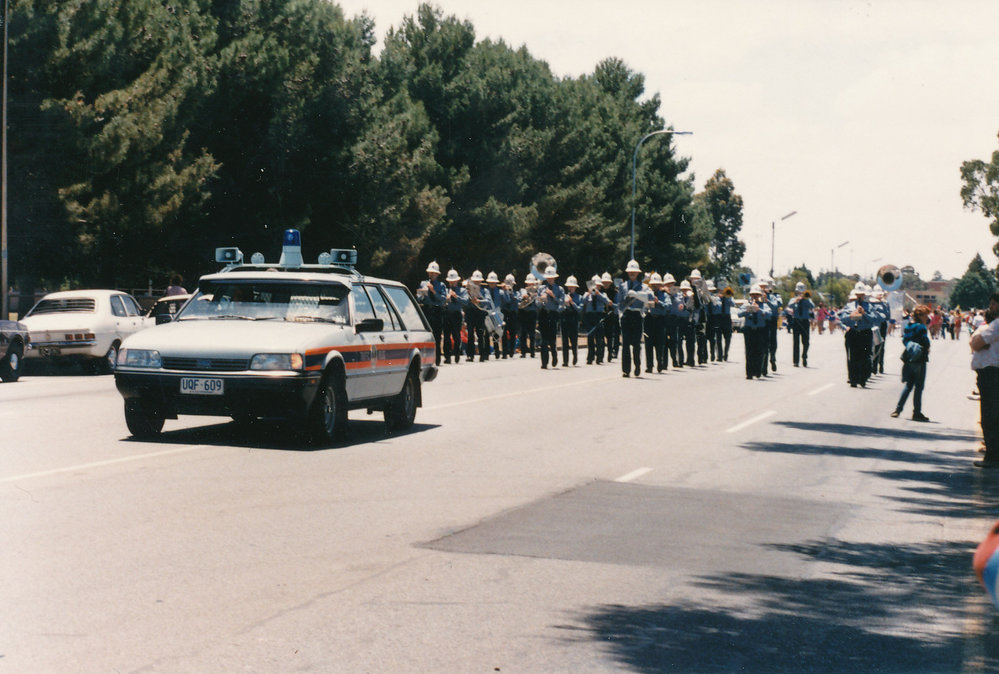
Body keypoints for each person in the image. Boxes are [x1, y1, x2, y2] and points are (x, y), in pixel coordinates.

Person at [971, 293, 999, 468]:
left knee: (990, 415)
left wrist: (976, 339)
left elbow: (976, 343)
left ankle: (992, 456)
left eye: (994, 304)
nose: (991, 307)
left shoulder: (996, 325)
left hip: (991, 373)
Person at [891, 304, 931, 421]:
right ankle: (917, 412)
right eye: (926, 315)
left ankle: (898, 409)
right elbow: (925, 341)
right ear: (921, 316)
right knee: (919, 387)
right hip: (920, 358)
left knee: (908, 385)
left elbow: (905, 340)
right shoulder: (921, 327)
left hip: (909, 357)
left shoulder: (909, 326)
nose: (927, 318)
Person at [840, 283, 882, 387]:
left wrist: (864, 313)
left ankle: (863, 379)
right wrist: (850, 316)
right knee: (853, 357)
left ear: (864, 295)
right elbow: (841, 318)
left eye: (861, 294)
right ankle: (853, 379)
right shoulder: (849, 306)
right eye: (858, 294)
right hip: (853, 333)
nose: (859, 296)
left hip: (865, 333)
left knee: (865, 357)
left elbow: (873, 320)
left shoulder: (869, 306)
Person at [618, 260, 651, 377]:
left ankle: (637, 365)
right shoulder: (622, 286)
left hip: (637, 315)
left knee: (636, 344)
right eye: (630, 271)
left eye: (634, 272)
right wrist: (620, 314)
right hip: (626, 315)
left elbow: (650, 297)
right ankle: (626, 370)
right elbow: (619, 303)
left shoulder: (643, 286)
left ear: (638, 273)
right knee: (625, 344)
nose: (632, 273)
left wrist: (637, 295)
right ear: (627, 273)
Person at [416, 261, 447, 366]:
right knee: (426, 336)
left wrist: (433, 291)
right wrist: (423, 293)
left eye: (434, 273)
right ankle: (426, 359)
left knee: (437, 336)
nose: (432, 275)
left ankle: (437, 359)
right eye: (430, 273)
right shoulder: (423, 283)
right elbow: (418, 298)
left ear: (437, 274)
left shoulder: (441, 285)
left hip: (437, 311)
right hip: (427, 311)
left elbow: (443, 300)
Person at [739, 285, 772, 379]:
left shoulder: (764, 305)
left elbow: (769, 315)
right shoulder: (746, 304)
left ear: (760, 296)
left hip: (760, 330)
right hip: (749, 329)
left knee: (759, 351)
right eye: (753, 295)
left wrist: (759, 310)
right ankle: (749, 373)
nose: (755, 297)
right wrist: (748, 309)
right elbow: (739, 313)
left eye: (757, 295)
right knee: (749, 352)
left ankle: (758, 371)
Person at [536, 266, 564, 369]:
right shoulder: (541, 289)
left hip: (553, 314)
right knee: (544, 340)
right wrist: (542, 300)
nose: (550, 279)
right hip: (544, 314)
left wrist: (553, 296)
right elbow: (537, 304)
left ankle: (554, 356)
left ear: (554, 278)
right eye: (548, 277)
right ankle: (544, 362)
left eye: (551, 277)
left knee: (552, 339)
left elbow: (562, 303)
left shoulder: (559, 289)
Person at [582, 275, 610, 364]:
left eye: (597, 285)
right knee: (590, 337)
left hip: (599, 316)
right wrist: (589, 293)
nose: (595, 287)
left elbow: (607, 301)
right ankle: (590, 357)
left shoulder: (603, 294)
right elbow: (583, 301)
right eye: (594, 285)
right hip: (590, 316)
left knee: (599, 338)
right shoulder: (587, 294)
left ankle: (600, 357)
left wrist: (598, 294)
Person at [644, 273, 669, 372]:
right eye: (653, 284)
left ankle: (660, 363)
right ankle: (649, 366)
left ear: (660, 285)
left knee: (659, 343)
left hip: (660, 320)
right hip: (649, 319)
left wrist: (659, 302)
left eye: (656, 284)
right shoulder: (647, 294)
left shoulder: (664, 294)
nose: (654, 286)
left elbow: (668, 306)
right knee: (648, 344)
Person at [787, 282, 814, 367]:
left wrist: (805, 299)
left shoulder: (807, 299)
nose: (800, 293)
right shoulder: (793, 299)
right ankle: (796, 361)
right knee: (796, 342)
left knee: (806, 341)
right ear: (796, 291)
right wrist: (796, 301)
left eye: (802, 291)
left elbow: (812, 306)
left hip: (805, 321)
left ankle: (804, 356)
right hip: (796, 321)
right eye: (799, 291)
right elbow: (789, 306)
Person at [442, 269, 466, 364]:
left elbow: (465, 301)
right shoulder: (445, 290)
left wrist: (456, 297)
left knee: (456, 336)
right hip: (447, 313)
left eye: (454, 281)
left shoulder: (462, 290)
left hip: (456, 314)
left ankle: (456, 354)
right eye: (451, 281)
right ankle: (447, 357)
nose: (452, 283)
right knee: (446, 336)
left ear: (457, 281)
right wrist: (446, 299)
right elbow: (440, 301)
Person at [561, 276, 583, 366]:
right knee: (564, 341)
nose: (570, 288)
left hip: (573, 320)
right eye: (569, 286)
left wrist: (572, 302)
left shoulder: (579, 297)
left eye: (572, 287)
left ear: (575, 287)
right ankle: (565, 361)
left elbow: (579, 309)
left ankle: (575, 356)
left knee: (573, 340)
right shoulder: (563, 296)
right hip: (565, 319)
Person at [601, 272, 620, 362]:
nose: (605, 284)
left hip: (611, 315)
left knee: (611, 336)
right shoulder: (599, 291)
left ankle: (611, 352)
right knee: (601, 335)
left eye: (607, 282)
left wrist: (612, 305)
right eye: (604, 282)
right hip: (601, 315)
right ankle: (601, 353)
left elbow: (617, 305)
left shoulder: (615, 292)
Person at [518, 276, 539, 358]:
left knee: (532, 333)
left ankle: (532, 351)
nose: (530, 284)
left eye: (532, 283)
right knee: (523, 333)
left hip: (532, 312)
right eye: (529, 283)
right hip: (524, 312)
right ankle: (523, 351)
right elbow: (519, 299)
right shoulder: (523, 290)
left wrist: (534, 295)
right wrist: (523, 297)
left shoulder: (537, 291)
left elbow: (538, 303)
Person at [500, 274, 520, 359]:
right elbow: (504, 301)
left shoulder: (516, 292)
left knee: (513, 333)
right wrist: (504, 291)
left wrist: (511, 293)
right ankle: (504, 352)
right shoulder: (502, 292)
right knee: (503, 333)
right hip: (504, 313)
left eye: (510, 283)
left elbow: (518, 300)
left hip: (512, 313)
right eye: (508, 283)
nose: (509, 285)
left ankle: (512, 350)